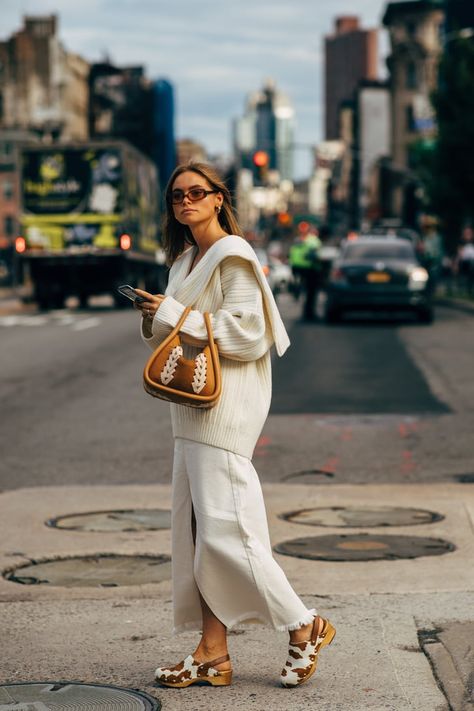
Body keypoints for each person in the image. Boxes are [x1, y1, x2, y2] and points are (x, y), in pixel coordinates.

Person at [134, 162, 335, 689]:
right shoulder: (183, 261)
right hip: (189, 407)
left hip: (224, 410)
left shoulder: (233, 254)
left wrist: (175, 314)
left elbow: (249, 334)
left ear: (219, 199)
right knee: (199, 534)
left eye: (197, 192)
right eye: (177, 195)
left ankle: (304, 625)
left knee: (231, 533)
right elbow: (175, 329)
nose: (186, 202)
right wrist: (158, 312)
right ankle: (212, 654)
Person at [288, 229, 322, 321]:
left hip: (298, 268)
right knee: (311, 292)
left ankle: (307, 312)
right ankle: (309, 313)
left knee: (307, 291)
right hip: (311, 269)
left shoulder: (298, 241)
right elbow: (314, 255)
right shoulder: (313, 241)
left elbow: (292, 256)